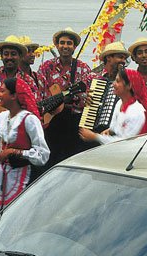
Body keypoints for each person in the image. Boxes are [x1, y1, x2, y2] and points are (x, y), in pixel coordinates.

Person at [37, 28, 93, 172]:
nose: (65, 46)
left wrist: (83, 98)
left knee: (73, 159)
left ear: (74, 47)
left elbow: (89, 96)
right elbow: (40, 94)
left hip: (75, 119)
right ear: (56, 45)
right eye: (62, 43)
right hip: (53, 119)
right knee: (51, 159)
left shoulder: (83, 68)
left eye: (69, 43)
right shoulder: (46, 67)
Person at [0, 78, 50, 209]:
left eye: (2, 91)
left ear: (13, 96)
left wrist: (14, 152)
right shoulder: (2, 118)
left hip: (25, 178)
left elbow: (43, 155)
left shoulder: (30, 120)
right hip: (3, 181)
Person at [79, 68, 147, 144]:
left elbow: (124, 142)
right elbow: (116, 127)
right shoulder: (120, 103)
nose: (113, 84)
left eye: (117, 81)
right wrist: (110, 130)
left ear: (129, 85)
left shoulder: (137, 112)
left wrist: (95, 137)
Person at [0, 35, 41, 103]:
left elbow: (36, 106)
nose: (9, 57)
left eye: (13, 54)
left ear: (20, 56)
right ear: (1, 56)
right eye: (6, 54)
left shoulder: (28, 81)